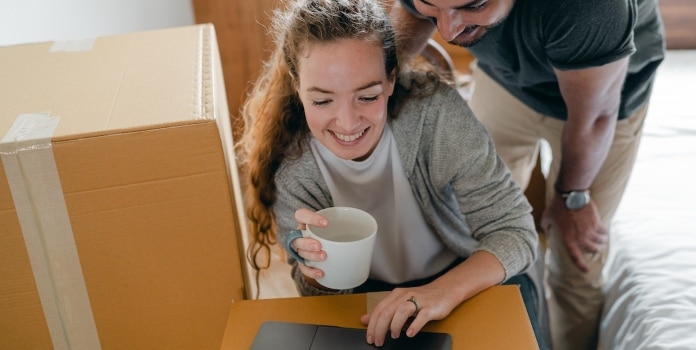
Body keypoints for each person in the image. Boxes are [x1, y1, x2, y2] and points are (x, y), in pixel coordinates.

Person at [236, 0, 545, 347]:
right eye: (323, 101)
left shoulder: (436, 118)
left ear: (390, 79)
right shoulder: (292, 167)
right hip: (369, 298)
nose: (348, 123)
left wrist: (438, 292)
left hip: (465, 276)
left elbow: (516, 233)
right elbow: (319, 297)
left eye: (367, 96)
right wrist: (315, 269)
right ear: (297, 85)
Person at [388, 0, 666, 349]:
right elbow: (407, 23)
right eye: (433, 7)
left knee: (575, 259)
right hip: (505, 80)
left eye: (472, 6)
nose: (447, 32)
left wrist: (573, 198)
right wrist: (375, 82)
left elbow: (595, 119)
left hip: (600, 103)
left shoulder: (593, 7)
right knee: (470, 231)